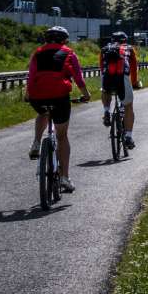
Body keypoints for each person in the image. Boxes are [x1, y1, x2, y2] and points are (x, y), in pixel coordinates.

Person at [26, 26, 91, 193]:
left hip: (37, 96)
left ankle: (36, 143)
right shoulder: (69, 53)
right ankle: (65, 177)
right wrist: (86, 94)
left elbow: (31, 75)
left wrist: (28, 94)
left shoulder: (37, 53)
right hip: (59, 96)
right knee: (62, 137)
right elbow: (78, 77)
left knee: (43, 112)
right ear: (65, 40)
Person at [99, 30, 141, 149]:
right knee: (128, 106)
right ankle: (128, 137)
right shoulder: (129, 48)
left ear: (112, 41)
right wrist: (134, 83)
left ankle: (107, 112)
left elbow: (102, 68)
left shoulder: (104, 49)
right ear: (125, 40)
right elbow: (133, 68)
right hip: (122, 78)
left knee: (105, 90)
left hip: (107, 78)